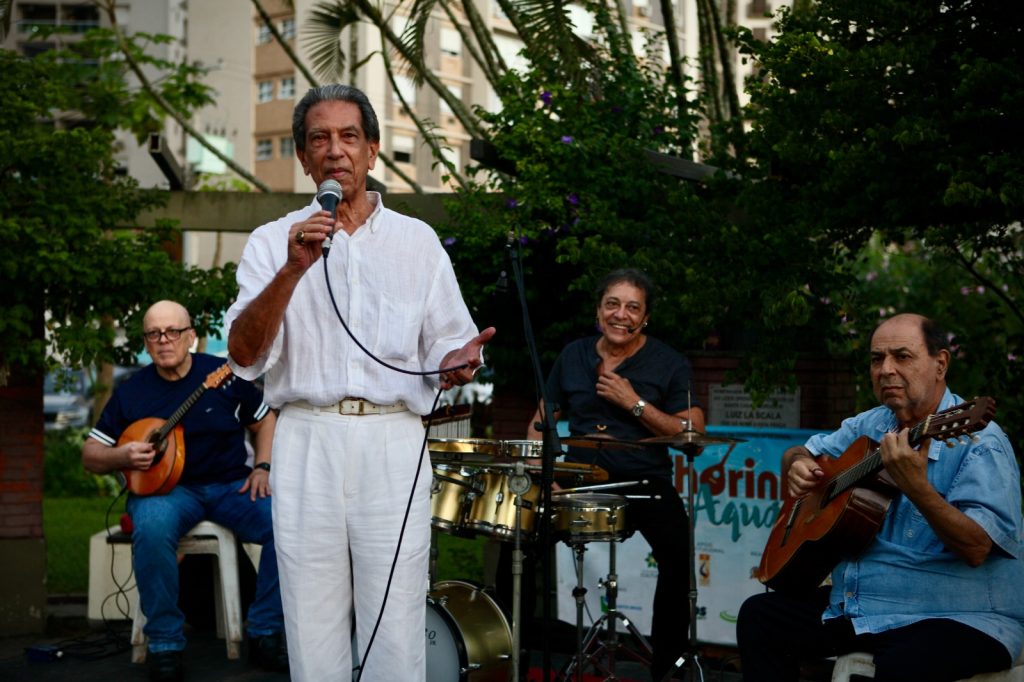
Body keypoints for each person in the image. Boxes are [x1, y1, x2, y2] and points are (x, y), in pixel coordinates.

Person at [224, 83, 494, 682]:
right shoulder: (273, 241)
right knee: (311, 616)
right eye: (319, 138)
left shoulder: (417, 242)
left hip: (393, 439)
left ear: (372, 151)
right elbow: (243, 355)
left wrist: (459, 361)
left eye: (349, 136)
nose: (335, 150)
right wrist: (292, 271)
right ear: (302, 156)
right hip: (306, 437)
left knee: (396, 617)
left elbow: (448, 343)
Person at [737, 313, 1024, 681]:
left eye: (902, 356)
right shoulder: (869, 425)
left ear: (940, 363)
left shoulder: (980, 444)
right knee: (761, 617)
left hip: (959, 617)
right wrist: (796, 463)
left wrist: (918, 488)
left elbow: (976, 548)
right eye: (877, 359)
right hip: (863, 608)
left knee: (901, 665)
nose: (885, 369)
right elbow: (802, 452)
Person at [514, 267, 704, 682]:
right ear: (599, 312)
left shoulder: (668, 362)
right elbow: (539, 424)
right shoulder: (573, 356)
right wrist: (548, 481)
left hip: (643, 483)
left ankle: (667, 668)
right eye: (613, 305)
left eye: (633, 307)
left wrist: (633, 403)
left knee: (677, 554)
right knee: (520, 544)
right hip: (579, 479)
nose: (622, 315)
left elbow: (693, 435)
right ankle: (514, 654)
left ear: (645, 317)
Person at [82, 300, 287, 682]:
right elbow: (91, 454)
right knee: (154, 528)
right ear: (146, 342)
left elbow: (265, 422)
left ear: (191, 336)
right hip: (168, 492)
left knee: (285, 523)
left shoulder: (223, 375)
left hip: (230, 486)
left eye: (172, 331)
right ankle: (164, 644)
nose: (164, 340)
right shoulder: (133, 392)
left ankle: (266, 631)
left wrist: (262, 466)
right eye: (154, 334)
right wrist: (122, 454)